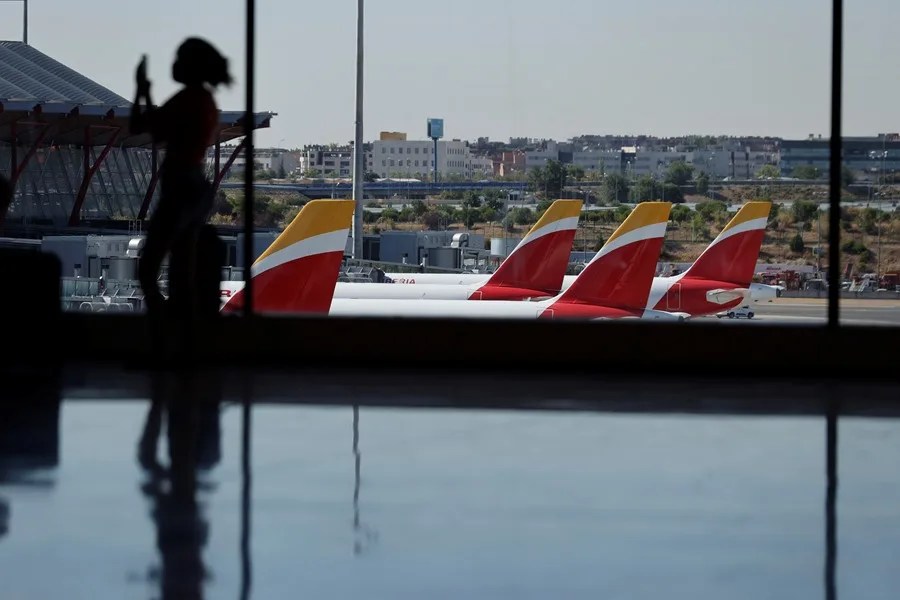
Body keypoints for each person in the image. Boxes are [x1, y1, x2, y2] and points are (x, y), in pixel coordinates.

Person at [130, 38, 232, 335]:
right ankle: (180, 340)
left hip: (181, 187)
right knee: (180, 271)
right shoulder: (203, 100)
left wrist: (141, 91)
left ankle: (165, 336)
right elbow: (158, 129)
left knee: (150, 269)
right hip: (193, 186)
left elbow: (142, 126)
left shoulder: (190, 99)